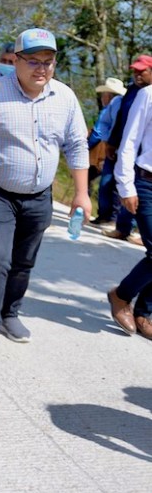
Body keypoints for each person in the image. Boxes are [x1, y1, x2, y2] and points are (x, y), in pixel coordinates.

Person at [0, 28, 90, 361]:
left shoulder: (64, 98)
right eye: (33, 61)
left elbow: (76, 145)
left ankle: (10, 313)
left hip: (40, 195)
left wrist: (81, 193)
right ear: (17, 61)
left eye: (48, 62)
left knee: (24, 261)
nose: (41, 68)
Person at [110, 81, 152, 340]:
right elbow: (130, 139)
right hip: (147, 182)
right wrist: (126, 185)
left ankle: (144, 313)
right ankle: (121, 295)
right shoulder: (148, 94)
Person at [101, 55, 152, 242]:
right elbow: (122, 121)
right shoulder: (133, 92)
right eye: (135, 71)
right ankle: (123, 227)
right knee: (120, 187)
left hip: (144, 154)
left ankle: (140, 231)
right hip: (128, 151)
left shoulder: (146, 94)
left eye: (142, 72)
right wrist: (112, 142)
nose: (137, 75)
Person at [88, 77, 126, 227]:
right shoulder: (119, 106)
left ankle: (109, 216)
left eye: (104, 95)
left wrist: (88, 145)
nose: (102, 98)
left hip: (111, 149)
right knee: (108, 183)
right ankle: (107, 216)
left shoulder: (111, 108)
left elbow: (98, 131)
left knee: (109, 183)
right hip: (113, 148)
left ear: (108, 95)